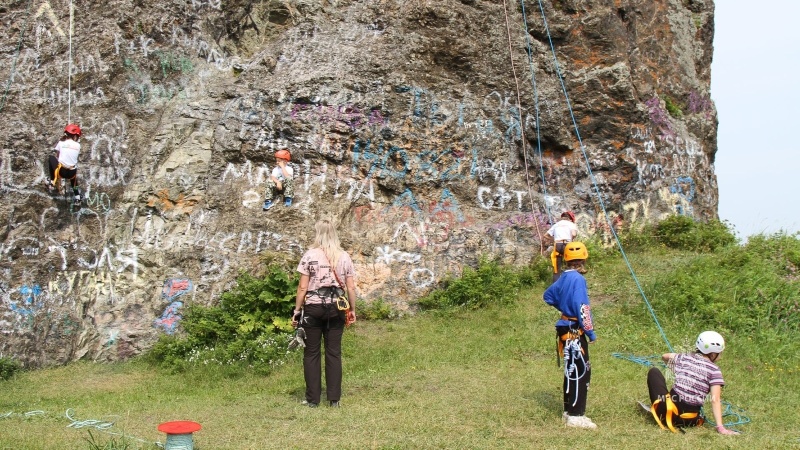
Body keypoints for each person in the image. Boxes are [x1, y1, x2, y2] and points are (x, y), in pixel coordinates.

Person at [292, 219, 357, 407]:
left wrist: (297, 311)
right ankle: (334, 399)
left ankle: (313, 400)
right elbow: (351, 288)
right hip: (337, 307)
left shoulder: (310, 255)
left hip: (313, 307)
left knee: (311, 352)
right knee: (333, 353)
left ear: (317, 233)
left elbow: (302, 287)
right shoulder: (344, 256)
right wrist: (352, 309)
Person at [543, 241, 597, 429]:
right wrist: (590, 332)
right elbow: (583, 308)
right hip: (575, 328)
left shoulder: (562, 278)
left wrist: (563, 309)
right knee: (581, 370)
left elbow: (548, 296)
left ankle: (568, 410)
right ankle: (576, 415)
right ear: (583, 259)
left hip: (565, 326)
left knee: (571, 369)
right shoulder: (578, 280)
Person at [645, 331, 740, 435]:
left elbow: (665, 356)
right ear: (713, 354)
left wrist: (676, 370)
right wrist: (721, 428)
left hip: (667, 414)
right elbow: (715, 400)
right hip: (690, 421)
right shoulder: (715, 370)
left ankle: (660, 408)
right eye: (720, 353)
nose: (720, 356)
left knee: (654, 372)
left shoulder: (685, 357)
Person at [46, 124, 83, 204]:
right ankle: (77, 197)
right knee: (74, 175)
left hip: (61, 171)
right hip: (71, 173)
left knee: (51, 158)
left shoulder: (61, 143)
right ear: (75, 136)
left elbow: (58, 156)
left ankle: (52, 182)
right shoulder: (78, 145)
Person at [546, 211, 578, 282]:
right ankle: (572, 282)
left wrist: (554, 240)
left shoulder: (556, 225)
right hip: (567, 244)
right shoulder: (571, 224)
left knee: (557, 268)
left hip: (557, 245)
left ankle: (556, 286)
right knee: (572, 264)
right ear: (570, 219)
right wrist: (571, 239)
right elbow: (574, 234)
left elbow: (546, 235)